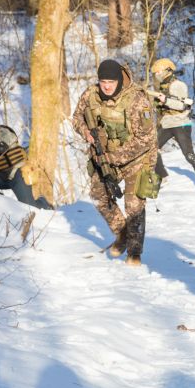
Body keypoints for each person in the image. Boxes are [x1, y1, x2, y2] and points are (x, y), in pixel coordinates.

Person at [72, 59, 158, 266]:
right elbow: (76, 118)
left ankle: (135, 252)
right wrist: (86, 132)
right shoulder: (90, 95)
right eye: (103, 82)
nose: (107, 86)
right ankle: (122, 233)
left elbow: (146, 139)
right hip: (105, 157)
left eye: (111, 81)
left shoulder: (137, 100)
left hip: (137, 159)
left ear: (119, 80)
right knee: (99, 195)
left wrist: (116, 157)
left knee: (134, 205)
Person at [0, 114, 54, 210]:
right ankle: (2, 203)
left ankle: (45, 205)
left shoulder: (0, 130)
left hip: (17, 173)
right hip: (1, 176)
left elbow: (3, 147)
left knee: (30, 207)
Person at [149, 58, 195, 187]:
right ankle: (161, 176)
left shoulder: (178, 85)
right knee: (151, 148)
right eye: (155, 73)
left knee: (189, 155)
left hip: (181, 124)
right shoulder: (163, 86)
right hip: (167, 124)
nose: (157, 75)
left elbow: (181, 105)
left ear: (167, 70)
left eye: (158, 72)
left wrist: (165, 100)